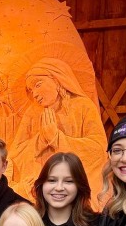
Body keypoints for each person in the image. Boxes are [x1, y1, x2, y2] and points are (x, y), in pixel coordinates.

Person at [9, 58, 107, 205]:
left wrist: (57, 139)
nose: (34, 94)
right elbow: (15, 155)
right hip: (39, 192)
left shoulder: (83, 106)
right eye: (31, 90)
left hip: (74, 192)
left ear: (56, 79)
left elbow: (98, 149)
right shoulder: (32, 114)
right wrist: (41, 140)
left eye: (38, 85)